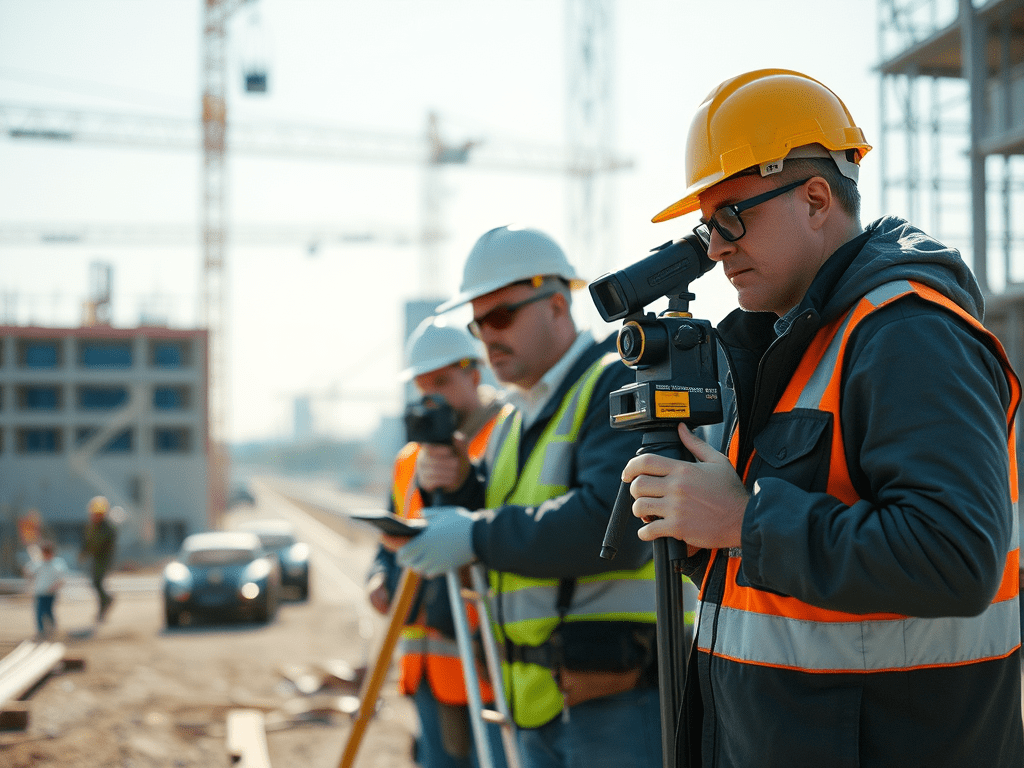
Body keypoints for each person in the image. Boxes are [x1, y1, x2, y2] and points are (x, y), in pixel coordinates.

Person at [621, 68, 1024, 767]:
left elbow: (956, 558)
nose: (715, 249)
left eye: (731, 218)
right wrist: (703, 542)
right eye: (706, 227)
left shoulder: (909, 335)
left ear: (814, 199)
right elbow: (798, 592)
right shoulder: (791, 347)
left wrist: (743, 522)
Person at [395, 225, 663, 768]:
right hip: (537, 699)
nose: (486, 336)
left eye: (501, 317)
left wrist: (472, 533)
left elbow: (609, 528)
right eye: (477, 323)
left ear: (559, 304)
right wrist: (457, 486)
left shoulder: (618, 384)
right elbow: (503, 514)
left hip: (617, 696)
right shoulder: (516, 418)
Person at [366, 316, 507, 768]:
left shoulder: (506, 436)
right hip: (424, 665)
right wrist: (379, 576)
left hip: (488, 665)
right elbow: (391, 536)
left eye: (442, 383)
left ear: (474, 374)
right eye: (423, 386)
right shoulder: (410, 459)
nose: (432, 397)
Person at [80, 495, 117, 622]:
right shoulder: (92, 526)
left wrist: (87, 551)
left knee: (97, 582)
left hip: (104, 558)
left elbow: (98, 543)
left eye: (97, 514)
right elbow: (87, 541)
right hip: (96, 558)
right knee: (96, 582)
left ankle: (106, 601)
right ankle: (103, 606)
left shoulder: (108, 528)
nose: (94, 516)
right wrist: (83, 552)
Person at [24, 540, 67, 640]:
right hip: (39, 593)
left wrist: (55, 587)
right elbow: (28, 573)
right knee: (39, 612)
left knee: (48, 611)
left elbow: (62, 579)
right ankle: (41, 631)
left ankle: (52, 628)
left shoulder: (58, 563)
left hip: (51, 594)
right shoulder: (37, 563)